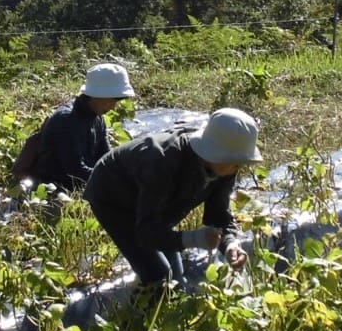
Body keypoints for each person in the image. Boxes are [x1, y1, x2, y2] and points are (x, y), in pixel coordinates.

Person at [84, 107, 260, 286]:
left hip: (154, 200)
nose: (238, 168)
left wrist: (230, 244)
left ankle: (158, 301)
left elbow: (219, 215)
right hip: (112, 196)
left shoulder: (224, 168)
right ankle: (140, 310)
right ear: (216, 153)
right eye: (236, 162)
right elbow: (146, 232)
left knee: (175, 277)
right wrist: (193, 239)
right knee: (159, 275)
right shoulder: (163, 162)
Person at [19, 63, 136, 192]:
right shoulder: (66, 120)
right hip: (50, 187)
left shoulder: (98, 118)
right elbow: (75, 170)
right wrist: (113, 180)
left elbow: (106, 158)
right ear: (97, 95)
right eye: (112, 100)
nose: (113, 107)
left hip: (82, 183)